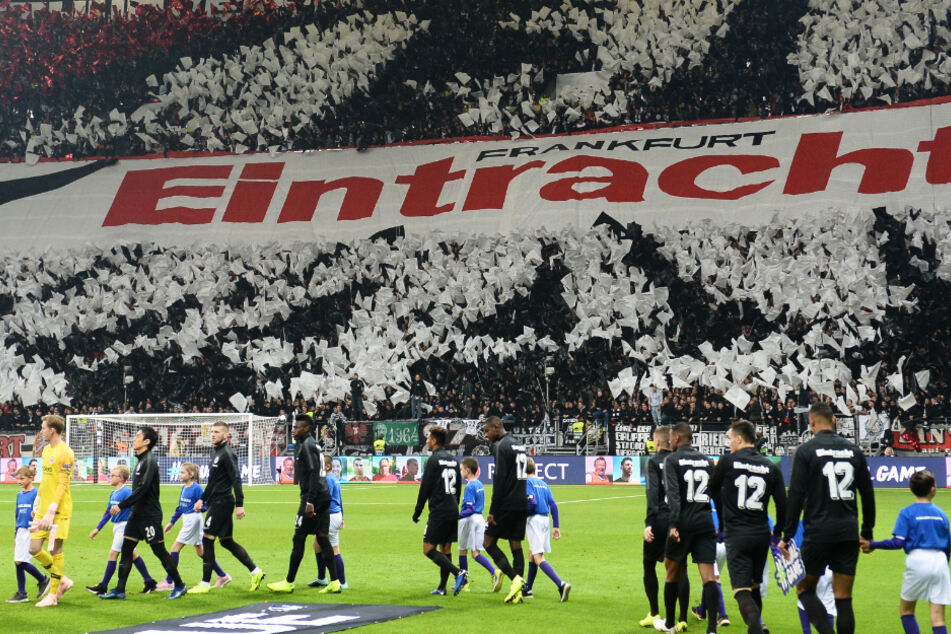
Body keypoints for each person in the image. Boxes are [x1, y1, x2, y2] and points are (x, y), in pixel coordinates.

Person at [779, 403, 876, 634]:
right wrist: (867, 532)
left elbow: (795, 496)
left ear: (811, 422)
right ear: (833, 421)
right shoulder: (854, 451)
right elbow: (867, 493)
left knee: (804, 589)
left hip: (818, 531)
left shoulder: (806, 451)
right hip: (848, 531)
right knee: (843, 598)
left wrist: (787, 535)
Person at [709, 420, 787, 634]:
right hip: (761, 534)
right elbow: (783, 505)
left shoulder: (727, 462)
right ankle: (757, 626)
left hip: (737, 534)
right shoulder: (771, 466)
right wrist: (778, 533)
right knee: (753, 588)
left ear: (740, 438)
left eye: (730, 438)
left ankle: (755, 627)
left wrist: (723, 523)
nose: (729, 443)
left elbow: (712, 490)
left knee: (741, 592)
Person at [99, 427, 187, 600]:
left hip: (149, 516)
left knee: (159, 550)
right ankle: (119, 590)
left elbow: (143, 489)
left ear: (147, 442)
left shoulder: (149, 461)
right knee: (126, 550)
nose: (134, 438)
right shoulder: (140, 461)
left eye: (138, 436)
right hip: (136, 515)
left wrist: (123, 505)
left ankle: (179, 585)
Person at [862, 470, 950, 634]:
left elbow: (898, 542)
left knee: (907, 610)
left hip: (918, 560)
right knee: (938, 617)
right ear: (933, 489)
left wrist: (873, 545)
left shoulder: (907, 512)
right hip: (940, 561)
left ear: (911, 489)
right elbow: (947, 545)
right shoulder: (941, 514)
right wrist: (944, 566)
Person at [654, 422, 719, 634]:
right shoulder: (708, 460)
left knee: (671, 572)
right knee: (709, 577)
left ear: (678, 438)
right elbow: (717, 495)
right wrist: (722, 526)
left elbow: (673, 495)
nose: (669, 441)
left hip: (682, 523)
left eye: (671, 438)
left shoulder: (672, 460)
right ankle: (711, 629)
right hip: (704, 522)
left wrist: (673, 524)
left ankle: (670, 624)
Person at [267, 414, 341, 594]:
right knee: (323, 538)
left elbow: (315, 474)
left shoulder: (307, 445)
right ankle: (335, 582)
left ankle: (289, 582)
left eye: (297, 427)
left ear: (307, 428)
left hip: (313, 497)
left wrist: (309, 501)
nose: (293, 430)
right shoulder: (311, 444)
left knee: (298, 537)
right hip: (323, 496)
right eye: (293, 426)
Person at [189, 421, 265, 594]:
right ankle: (256, 572)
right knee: (226, 541)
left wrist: (240, 504)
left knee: (207, 539)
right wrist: (202, 499)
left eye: (217, 432)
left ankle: (205, 583)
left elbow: (236, 479)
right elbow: (212, 481)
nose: (213, 434)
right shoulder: (215, 452)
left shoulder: (228, 453)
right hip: (216, 501)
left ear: (226, 435)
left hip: (223, 502)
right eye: (212, 432)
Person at [641, 426, 690, 630]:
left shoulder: (653, 462)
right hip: (679, 520)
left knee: (649, 564)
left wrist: (649, 523)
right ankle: (682, 619)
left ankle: (654, 612)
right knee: (680, 568)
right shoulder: (680, 461)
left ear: (657, 442)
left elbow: (652, 493)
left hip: (660, 518)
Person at [157, 462, 230, 591]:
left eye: (182, 472)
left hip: (193, 520)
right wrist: (171, 523)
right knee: (200, 551)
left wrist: (201, 508)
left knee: (175, 548)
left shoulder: (196, 488)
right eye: (180, 472)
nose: (180, 474)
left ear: (191, 475)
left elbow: (207, 503)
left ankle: (170, 581)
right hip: (189, 520)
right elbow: (180, 507)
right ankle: (222, 575)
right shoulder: (184, 488)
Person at [86, 465, 157, 595]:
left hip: (125, 527)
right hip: (117, 526)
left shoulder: (127, 492)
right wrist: (98, 528)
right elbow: (108, 512)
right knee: (133, 554)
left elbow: (140, 504)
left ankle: (103, 586)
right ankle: (149, 582)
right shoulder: (114, 493)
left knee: (113, 554)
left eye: (113, 475)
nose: (110, 477)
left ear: (121, 478)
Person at [413, 426, 466, 596]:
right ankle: (442, 588)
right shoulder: (453, 460)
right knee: (446, 548)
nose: (426, 441)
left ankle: (458, 573)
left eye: (428, 438)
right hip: (452, 508)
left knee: (428, 549)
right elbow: (458, 487)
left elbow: (425, 488)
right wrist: (454, 505)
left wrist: (418, 511)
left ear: (435, 441)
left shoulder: (433, 460)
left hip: (439, 511)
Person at [30, 414, 76, 607]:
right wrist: (38, 501)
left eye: (43, 428)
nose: (41, 431)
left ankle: (53, 595)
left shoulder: (66, 453)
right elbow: (46, 479)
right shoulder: (46, 450)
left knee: (56, 548)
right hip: (44, 507)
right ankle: (63, 579)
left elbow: (62, 484)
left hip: (58, 509)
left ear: (53, 430)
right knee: (34, 548)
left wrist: (51, 509)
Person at [482, 416, 529, 603]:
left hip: (507, 504)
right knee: (516, 545)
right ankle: (519, 593)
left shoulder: (500, 447)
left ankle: (515, 579)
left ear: (496, 427)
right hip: (521, 501)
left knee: (487, 543)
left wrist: (493, 510)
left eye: (487, 431)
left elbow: (499, 480)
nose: (486, 435)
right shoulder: (519, 445)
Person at [523, 458, 570, 601]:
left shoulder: (527, 482)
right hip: (545, 520)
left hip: (534, 520)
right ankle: (528, 589)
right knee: (532, 554)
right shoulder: (543, 483)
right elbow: (553, 505)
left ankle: (561, 584)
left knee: (538, 557)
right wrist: (556, 526)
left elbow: (532, 502)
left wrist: (522, 514)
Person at [8, 466, 49, 603]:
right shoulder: (19, 495)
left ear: (31, 478)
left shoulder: (37, 494)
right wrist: (15, 534)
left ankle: (43, 580)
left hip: (31, 530)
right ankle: (22, 593)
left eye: (22, 478)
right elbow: (17, 515)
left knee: (21, 561)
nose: (19, 481)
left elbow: (42, 511)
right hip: (20, 531)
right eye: (17, 478)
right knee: (18, 562)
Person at [456, 457, 497, 591]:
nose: (461, 471)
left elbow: (470, 508)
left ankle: (464, 583)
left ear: (467, 470)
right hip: (480, 519)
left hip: (469, 520)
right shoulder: (479, 484)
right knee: (475, 553)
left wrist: (457, 516)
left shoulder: (470, 486)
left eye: (462, 469)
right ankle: (494, 572)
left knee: (462, 550)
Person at [308, 454, 347, 589]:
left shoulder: (328, 479)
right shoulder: (334, 478)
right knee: (316, 545)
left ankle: (342, 582)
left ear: (327, 466)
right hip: (335, 515)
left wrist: (314, 514)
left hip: (329, 516)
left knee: (334, 549)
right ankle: (322, 578)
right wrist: (343, 517)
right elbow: (340, 499)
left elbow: (325, 499)